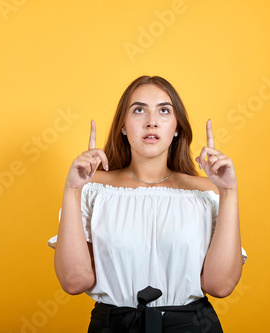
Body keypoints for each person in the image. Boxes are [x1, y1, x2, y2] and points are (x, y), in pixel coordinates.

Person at [47, 76, 246, 332]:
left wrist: (229, 191)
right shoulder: (91, 189)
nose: (151, 121)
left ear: (176, 127)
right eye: (139, 110)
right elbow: (74, 282)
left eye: (164, 111)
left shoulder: (205, 194)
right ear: (123, 126)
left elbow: (220, 286)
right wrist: (72, 189)